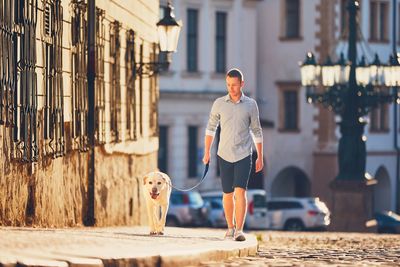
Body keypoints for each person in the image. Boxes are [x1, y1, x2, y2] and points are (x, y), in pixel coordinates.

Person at [203, 68, 263, 241]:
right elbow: (210, 128)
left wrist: (259, 155)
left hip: (244, 154)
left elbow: (257, 131)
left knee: (240, 192)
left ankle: (239, 230)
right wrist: (207, 151)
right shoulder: (219, 103)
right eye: (228, 85)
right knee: (227, 193)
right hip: (224, 154)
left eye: (234, 85)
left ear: (242, 84)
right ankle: (230, 227)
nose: (231, 88)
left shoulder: (251, 105)